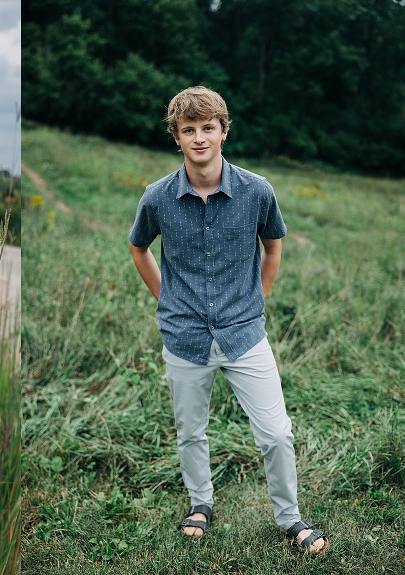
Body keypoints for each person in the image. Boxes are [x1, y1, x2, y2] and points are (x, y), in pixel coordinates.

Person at [128, 86, 328, 554]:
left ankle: (290, 517)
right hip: (184, 337)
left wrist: (254, 301)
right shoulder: (157, 197)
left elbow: (274, 246)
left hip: (245, 333)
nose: (199, 138)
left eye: (208, 128)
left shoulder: (257, 190)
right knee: (191, 430)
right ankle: (200, 503)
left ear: (223, 131)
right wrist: (167, 299)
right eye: (188, 130)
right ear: (176, 137)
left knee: (276, 432)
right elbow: (138, 248)